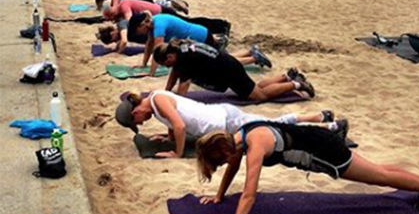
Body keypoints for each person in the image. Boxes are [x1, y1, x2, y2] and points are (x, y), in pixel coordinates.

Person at [195, 122, 419, 214]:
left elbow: (249, 194)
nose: (221, 166)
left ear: (224, 150)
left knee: (377, 177)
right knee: (379, 171)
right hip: (320, 139)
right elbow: (232, 167)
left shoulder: (256, 145)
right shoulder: (238, 137)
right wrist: (219, 195)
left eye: (218, 161)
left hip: (326, 152)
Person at [115, 91, 345, 158]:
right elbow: (174, 123)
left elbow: (181, 126)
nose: (140, 125)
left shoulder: (157, 99)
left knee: (274, 127)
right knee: (273, 124)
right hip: (223, 119)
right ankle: (320, 118)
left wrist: (177, 152)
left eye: (136, 122)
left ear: (135, 111)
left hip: (226, 121)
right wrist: (169, 138)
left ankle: (329, 126)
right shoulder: (154, 106)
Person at [153, 39, 316, 100]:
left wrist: (174, 101)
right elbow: (175, 72)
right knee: (256, 88)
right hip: (228, 64)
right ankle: (285, 77)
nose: (167, 67)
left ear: (169, 57)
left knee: (261, 96)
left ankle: (298, 84)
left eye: (165, 64)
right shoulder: (180, 48)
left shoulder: (184, 60)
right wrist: (166, 91)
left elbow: (183, 89)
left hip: (229, 71)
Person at [129, 13, 259, 77]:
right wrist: (144, 64)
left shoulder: (158, 25)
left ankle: (254, 58)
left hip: (200, 37)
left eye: (137, 30)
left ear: (142, 25)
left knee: (219, 64)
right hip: (199, 34)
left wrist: (151, 73)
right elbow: (148, 46)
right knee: (220, 57)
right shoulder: (153, 25)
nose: (138, 33)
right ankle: (249, 52)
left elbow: (158, 51)